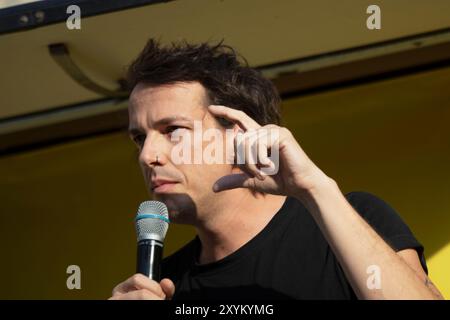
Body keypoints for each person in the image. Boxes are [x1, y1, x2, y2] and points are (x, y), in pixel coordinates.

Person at [109, 39, 443, 300]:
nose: (147, 155)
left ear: (239, 136)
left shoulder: (352, 220)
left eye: (173, 131)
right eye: (140, 137)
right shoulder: (163, 285)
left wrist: (314, 188)